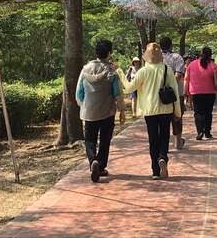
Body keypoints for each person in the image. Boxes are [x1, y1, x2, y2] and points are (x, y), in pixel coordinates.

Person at [117, 43, 181, 180]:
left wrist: (120, 73)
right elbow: (174, 90)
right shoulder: (167, 69)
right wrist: (177, 111)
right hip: (166, 109)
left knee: (153, 139)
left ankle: (155, 171)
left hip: (150, 110)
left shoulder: (143, 71)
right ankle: (163, 157)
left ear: (146, 57)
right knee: (164, 136)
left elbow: (129, 88)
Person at [76, 39, 125, 183]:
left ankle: (93, 162)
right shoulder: (112, 72)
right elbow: (117, 94)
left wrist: (84, 106)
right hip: (107, 112)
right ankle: (101, 165)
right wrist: (121, 109)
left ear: (96, 52)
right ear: (109, 53)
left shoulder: (85, 69)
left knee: (90, 140)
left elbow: (79, 93)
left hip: (89, 112)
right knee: (105, 140)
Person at [184, 47, 217, 140]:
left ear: (200, 54)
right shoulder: (213, 65)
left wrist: (185, 91)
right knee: (208, 112)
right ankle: (207, 132)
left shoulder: (191, 64)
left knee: (198, 112)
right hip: (210, 93)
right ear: (210, 55)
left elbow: (186, 79)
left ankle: (200, 131)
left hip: (196, 92)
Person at [160, 37, 186, 150]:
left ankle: (164, 146)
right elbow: (178, 75)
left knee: (162, 119)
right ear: (171, 46)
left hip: (160, 93)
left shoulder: (156, 58)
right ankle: (178, 142)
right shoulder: (177, 57)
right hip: (176, 92)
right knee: (177, 116)